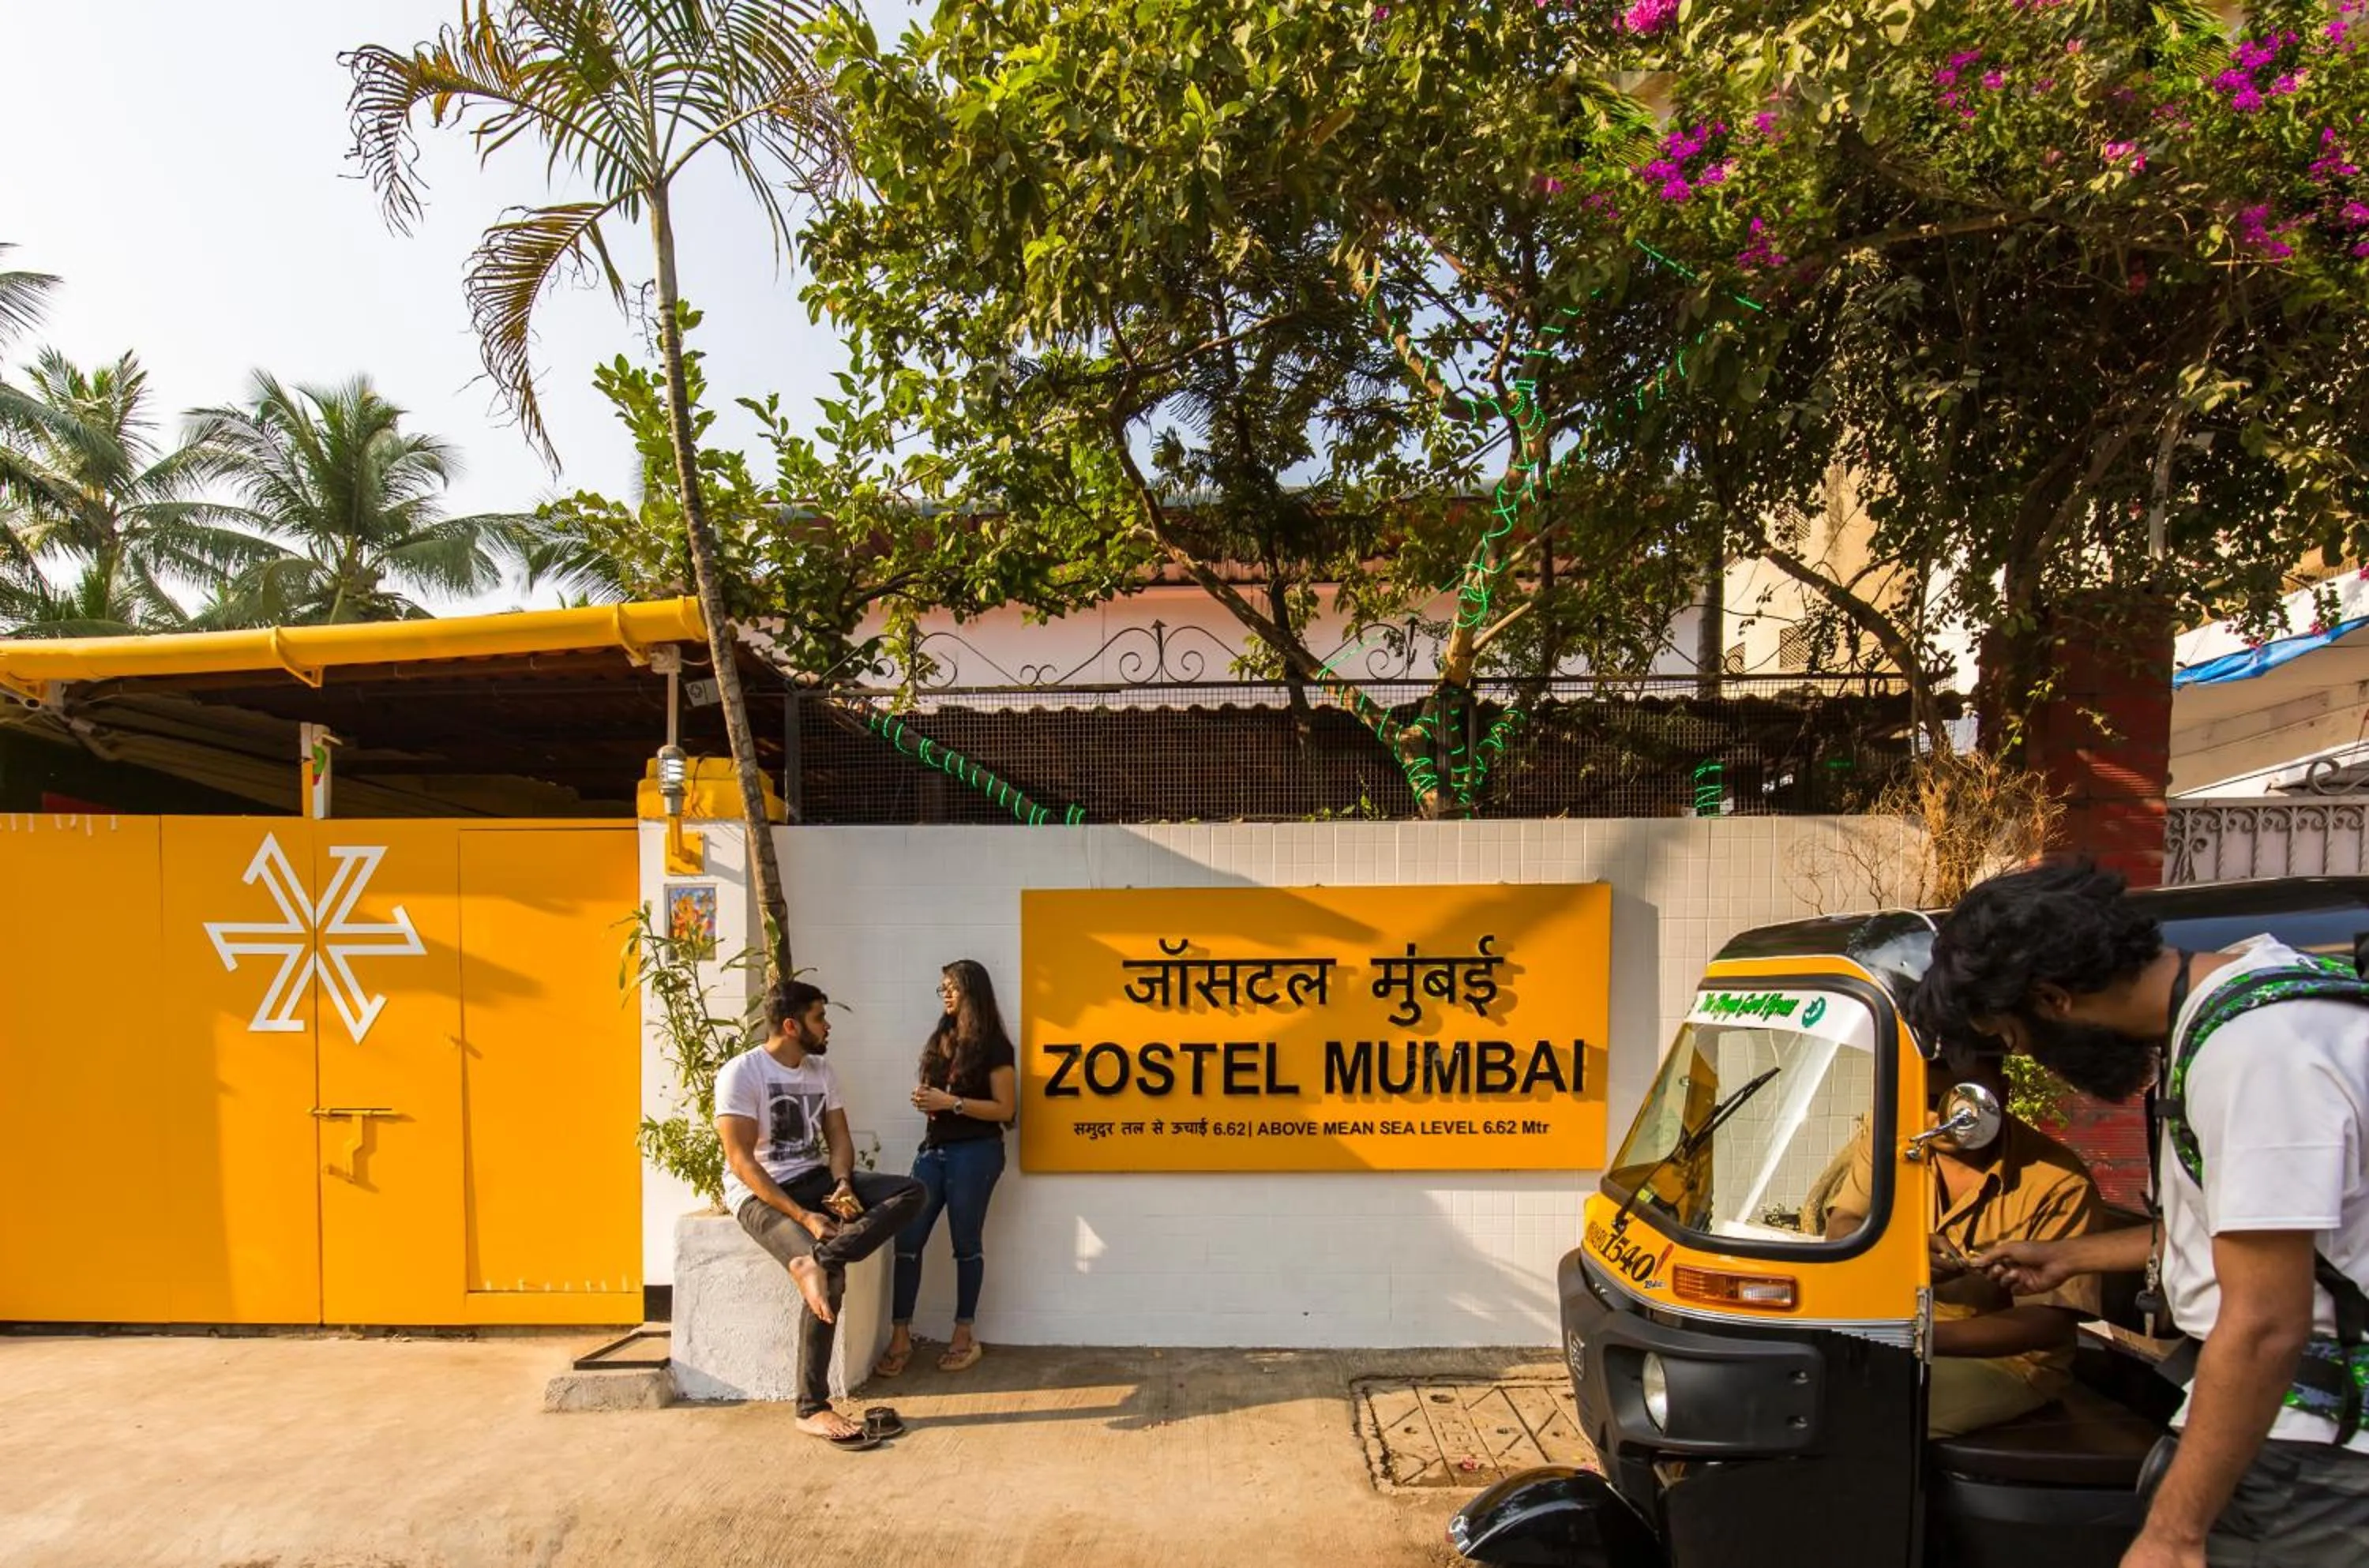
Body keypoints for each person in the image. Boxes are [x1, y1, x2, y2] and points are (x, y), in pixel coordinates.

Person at [1910, 858, 2369, 1568]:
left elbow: (2266, 1323)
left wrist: (2172, 1535)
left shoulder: (2254, 1052)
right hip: (2283, 1429)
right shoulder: (2252, 993)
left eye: (2010, 1036)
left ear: (2054, 999)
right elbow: (2263, 1230)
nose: (2024, 1055)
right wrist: (2070, 1256)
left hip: (2312, 1446)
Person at [1818, 1052, 2104, 1437]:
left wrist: (1914, 1337)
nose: (1946, 1120)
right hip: (1894, 1333)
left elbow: (2049, 1321)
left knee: (1867, 1411)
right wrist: (1903, 1252)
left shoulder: (2059, 1183)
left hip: (2009, 1363)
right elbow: (1843, 1225)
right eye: (1930, 1102)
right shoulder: (1892, 1142)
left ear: (2003, 1091)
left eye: (1967, 1101)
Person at [715, 978, 925, 1449]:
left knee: (911, 1191)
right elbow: (743, 1163)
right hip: (759, 1197)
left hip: (813, 1179)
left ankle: (824, 1258)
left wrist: (844, 1184)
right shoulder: (741, 1074)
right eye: (818, 1018)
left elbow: (839, 1141)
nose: (827, 1026)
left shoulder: (821, 1071)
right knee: (828, 1281)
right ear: (791, 1025)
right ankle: (812, 1408)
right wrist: (806, 1218)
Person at [876, 959, 1018, 1379]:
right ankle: (901, 1335)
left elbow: (1006, 1109)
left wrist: (950, 1103)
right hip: (934, 1151)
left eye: (952, 987)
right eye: (942, 988)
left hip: (976, 1152)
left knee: (965, 1242)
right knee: (908, 1238)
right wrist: (927, 1100)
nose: (946, 995)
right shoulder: (942, 1037)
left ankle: (963, 1336)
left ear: (973, 991)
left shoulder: (995, 1046)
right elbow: (939, 1096)